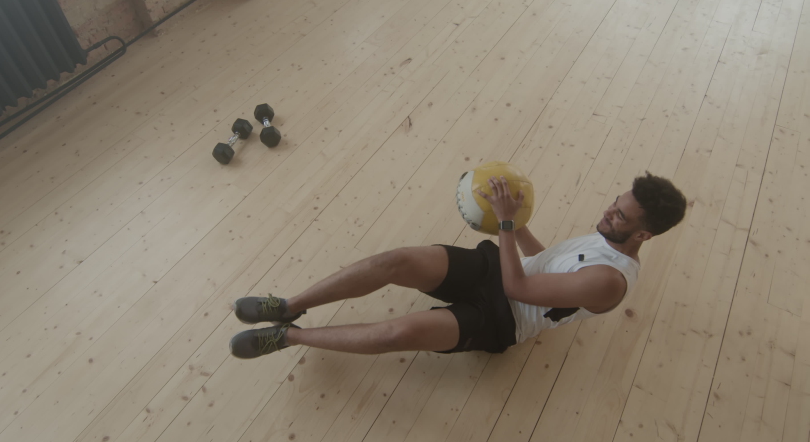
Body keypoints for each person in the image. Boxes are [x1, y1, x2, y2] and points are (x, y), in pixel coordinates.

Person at [229, 172, 686, 358]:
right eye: (614, 203)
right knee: (396, 260)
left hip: (503, 317)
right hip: (503, 272)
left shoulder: (609, 282)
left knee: (400, 333)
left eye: (620, 216)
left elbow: (520, 289)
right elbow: (546, 263)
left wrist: (505, 225)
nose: (609, 213)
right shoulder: (609, 235)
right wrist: (517, 222)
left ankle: (288, 336)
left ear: (644, 235)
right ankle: (289, 304)